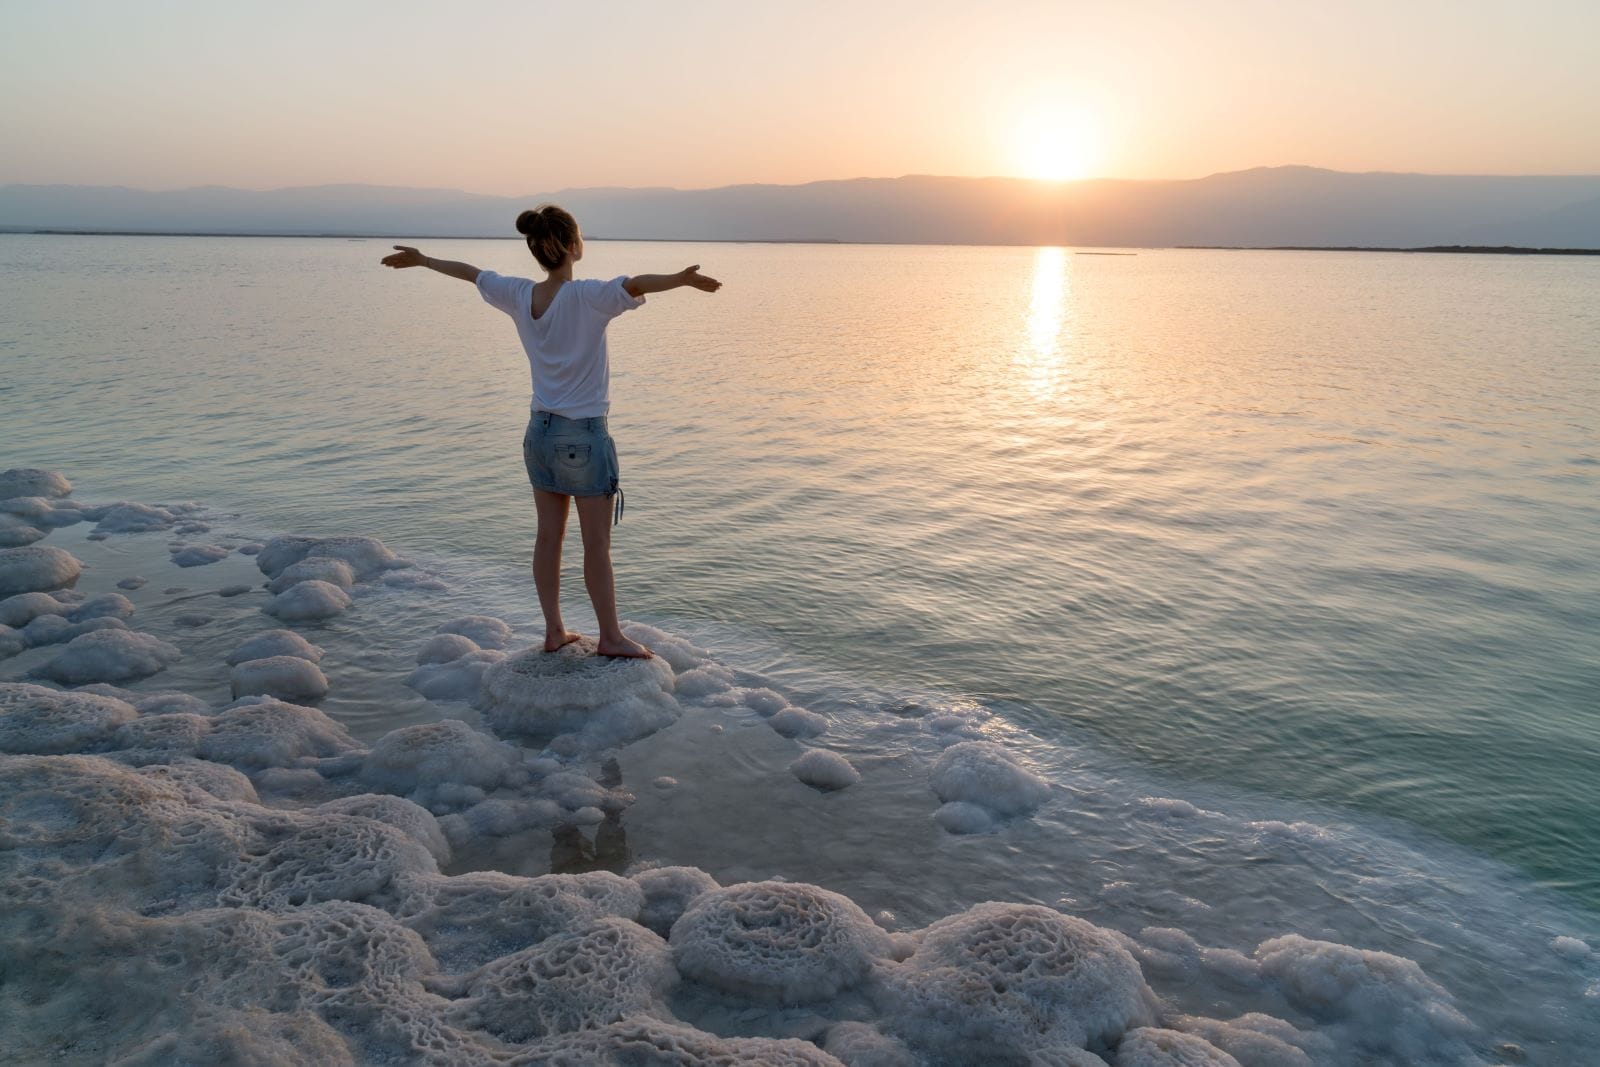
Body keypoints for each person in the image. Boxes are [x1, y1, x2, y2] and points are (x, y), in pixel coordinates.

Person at [381, 204, 720, 658]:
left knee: (547, 537)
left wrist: (423, 260)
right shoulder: (588, 296)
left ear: (538, 251)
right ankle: (611, 638)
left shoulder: (519, 294)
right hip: (583, 435)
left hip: (538, 433)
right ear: (574, 246)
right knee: (596, 545)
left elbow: (471, 273)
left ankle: (554, 631)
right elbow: (636, 284)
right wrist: (679, 279)